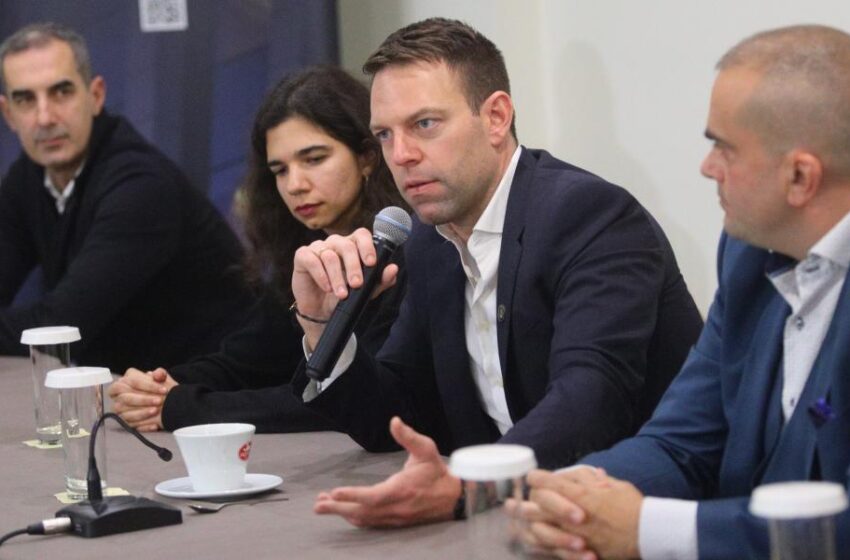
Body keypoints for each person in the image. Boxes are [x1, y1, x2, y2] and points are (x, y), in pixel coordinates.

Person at [288, 18, 703, 528]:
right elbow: (396, 416)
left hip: (631, 517)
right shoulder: (431, 242)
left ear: (496, 118)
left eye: (425, 124)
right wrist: (320, 324)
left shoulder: (589, 216)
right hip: (513, 517)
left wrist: (468, 487)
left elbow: (590, 399)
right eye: (384, 135)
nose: (401, 155)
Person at [512, 25, 850, 560]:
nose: (706, 167)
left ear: (800, 178)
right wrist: (576, 494)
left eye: (723, 148)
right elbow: (681, 442)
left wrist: (648, 529)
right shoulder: (749, 255)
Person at [108, 66, 409, 433]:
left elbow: (339, 399)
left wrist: (184, 408)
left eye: (314, 159)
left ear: (367, 157)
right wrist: (155, 387)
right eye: (279, 170)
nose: (295, 185)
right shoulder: (302, 251)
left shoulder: (405, 252)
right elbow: (246, 362)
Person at [0, 22, 252, 372]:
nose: (44, 118)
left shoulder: (141, 185)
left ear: (96, 95)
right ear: (8, 114)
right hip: (134, 388)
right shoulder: (29, 176)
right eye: (26, 100)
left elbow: (62, 328)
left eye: (61, 92)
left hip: (218, 389)